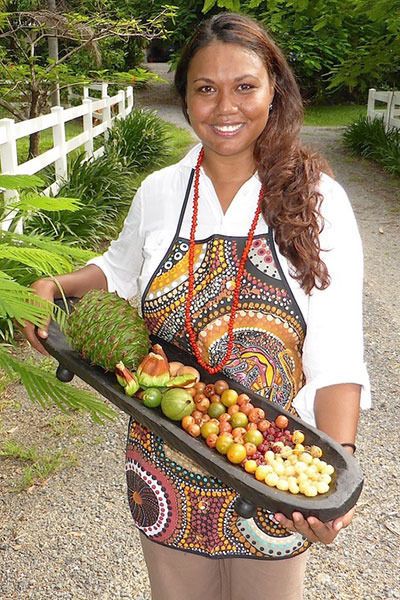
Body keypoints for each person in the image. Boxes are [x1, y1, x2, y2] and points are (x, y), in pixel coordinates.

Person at [23, 12, 370, 600]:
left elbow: (337, 356)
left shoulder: (318, 200)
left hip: (269, 476)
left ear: (274, 91)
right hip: (164, 470)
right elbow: (118, 269)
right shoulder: (160, 190)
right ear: (184, 97)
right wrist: (53, 285)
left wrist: (333, 482)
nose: (224, 107)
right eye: (205, 89)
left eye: (244, 86)